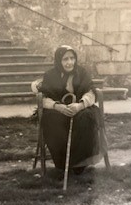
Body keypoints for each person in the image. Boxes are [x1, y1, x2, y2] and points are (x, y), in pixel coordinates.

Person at [37, 45, 105, 175]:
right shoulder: (50, 75)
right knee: (51, 119)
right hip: (58, 110)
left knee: (86, 117)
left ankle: (80, 164)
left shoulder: (82, 73)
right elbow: (43, 98)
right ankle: (62, 164)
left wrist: (79, 105)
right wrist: (58, 106)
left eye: (72, 58)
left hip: (80, 109)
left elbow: (91, 93)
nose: (69, 62)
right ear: (58, 61)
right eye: (65, 59)